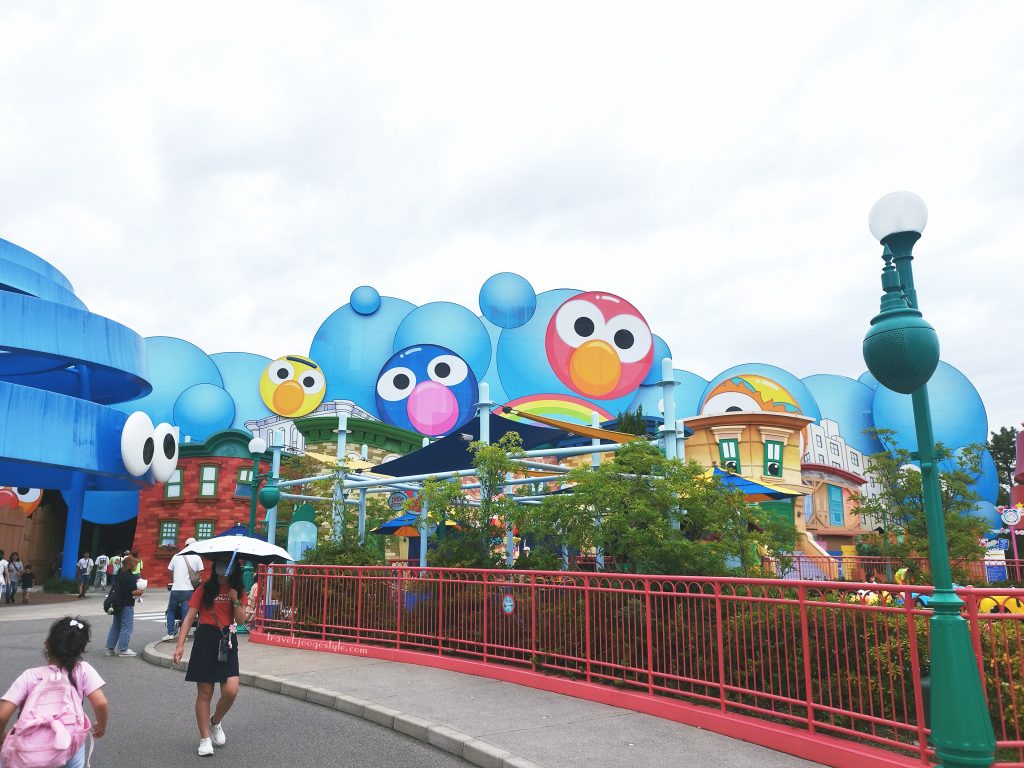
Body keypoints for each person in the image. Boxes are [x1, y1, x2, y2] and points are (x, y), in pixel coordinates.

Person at [0, 617, 109, 767]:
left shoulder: (30, 675)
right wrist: (101, 725)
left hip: (31, 747)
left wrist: (1, 737)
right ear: (81, 650)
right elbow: (101, 703)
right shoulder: (84, 669)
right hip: (70, 741)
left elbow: (2, 714)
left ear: (47, 645)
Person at [173, 558, 247, 756]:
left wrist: (235, 599)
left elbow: (241, 620)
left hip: (227, 639)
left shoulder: (238, 590)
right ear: (216, 567)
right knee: (205, 692)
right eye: (221, 563)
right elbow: (189, 617)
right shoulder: (205, 588)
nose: (224, 568)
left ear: (234, 569)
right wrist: (180, 645)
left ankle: (215, 721)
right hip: (205, 639)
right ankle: (205, 739)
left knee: (231, 690)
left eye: (228, 564)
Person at [164, 540, 204, 641]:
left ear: (185, 545)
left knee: (171, 610)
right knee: (185, 612)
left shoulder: (176, 556)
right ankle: (184, 634)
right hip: (188, 589)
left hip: (176, 589)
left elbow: (170, 570)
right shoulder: (197, 557)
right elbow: (200, 572)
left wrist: (174, 580)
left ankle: (170, 633)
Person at [104, 553, 142, 657]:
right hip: (127, 604)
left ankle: (110, 649)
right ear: (131, 565)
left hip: (116, 603)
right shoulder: (130, 576)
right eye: (135, 564)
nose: (136, 565)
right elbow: (134, 592)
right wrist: (141, 591)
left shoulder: (120, 574)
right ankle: (123, 649)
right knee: (126, 626)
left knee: (116, 626)